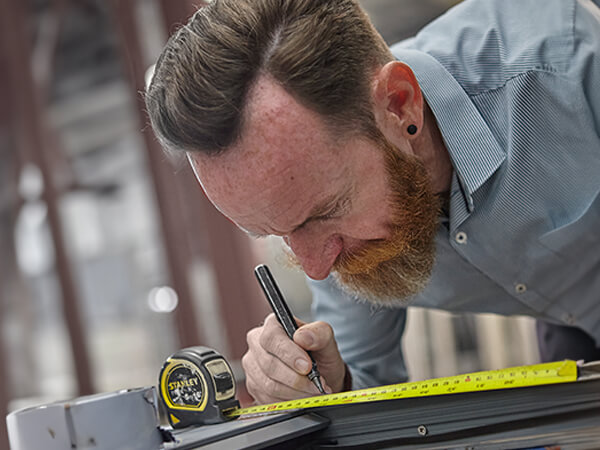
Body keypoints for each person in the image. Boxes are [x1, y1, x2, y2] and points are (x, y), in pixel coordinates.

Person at [145, 0, 600, 404]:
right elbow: (369, 383)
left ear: (400, 106)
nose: (317, 268)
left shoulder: (572, 72)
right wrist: (323, 384)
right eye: (279, 233)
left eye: (324, 213)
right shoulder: (327, 230)